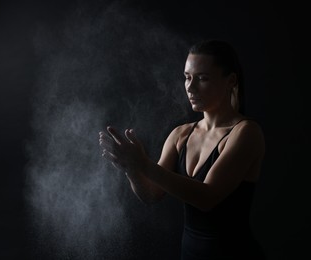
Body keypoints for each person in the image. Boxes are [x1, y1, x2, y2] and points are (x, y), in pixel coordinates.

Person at [99, 39, 266, 259]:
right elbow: (151, 194)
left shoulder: (246, 132)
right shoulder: (181, 134)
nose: (190, 86)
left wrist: (143, 164)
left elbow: (207, 197)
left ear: (231, 81)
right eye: (187, 78)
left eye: (202, 78)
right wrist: (131, 168)